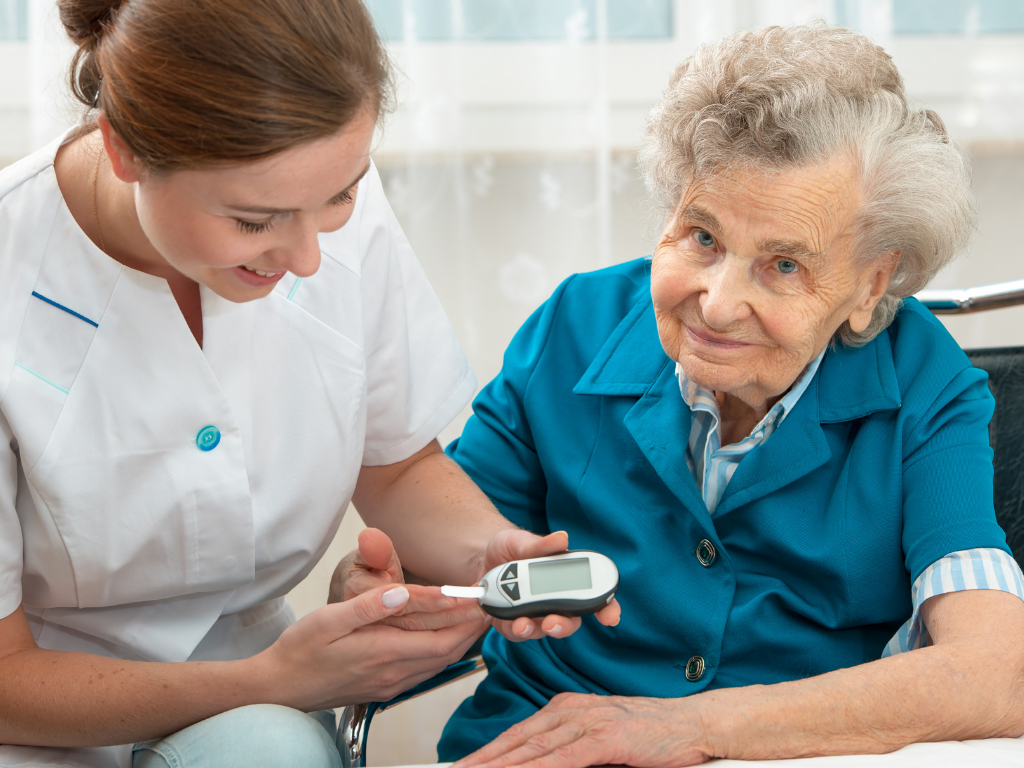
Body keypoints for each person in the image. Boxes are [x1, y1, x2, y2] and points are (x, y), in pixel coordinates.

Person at [0, 1, 618, 767]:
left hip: (253, 714)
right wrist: (275, 679)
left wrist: (484, 554)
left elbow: (395, 466)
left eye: (341, 196)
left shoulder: (318, 199)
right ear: (124, 151)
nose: (307, 258)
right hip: (36, 725)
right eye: (255, 221)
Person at [421, 22, 1024, 766]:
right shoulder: (575, 326)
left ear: (870, 285)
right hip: (541, 743)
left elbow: (996, 673)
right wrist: (393, 592)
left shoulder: (924, 383)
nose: (714, 304)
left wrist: (694, 729)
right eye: (702, 238)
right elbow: (451, 558)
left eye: (782, 265)